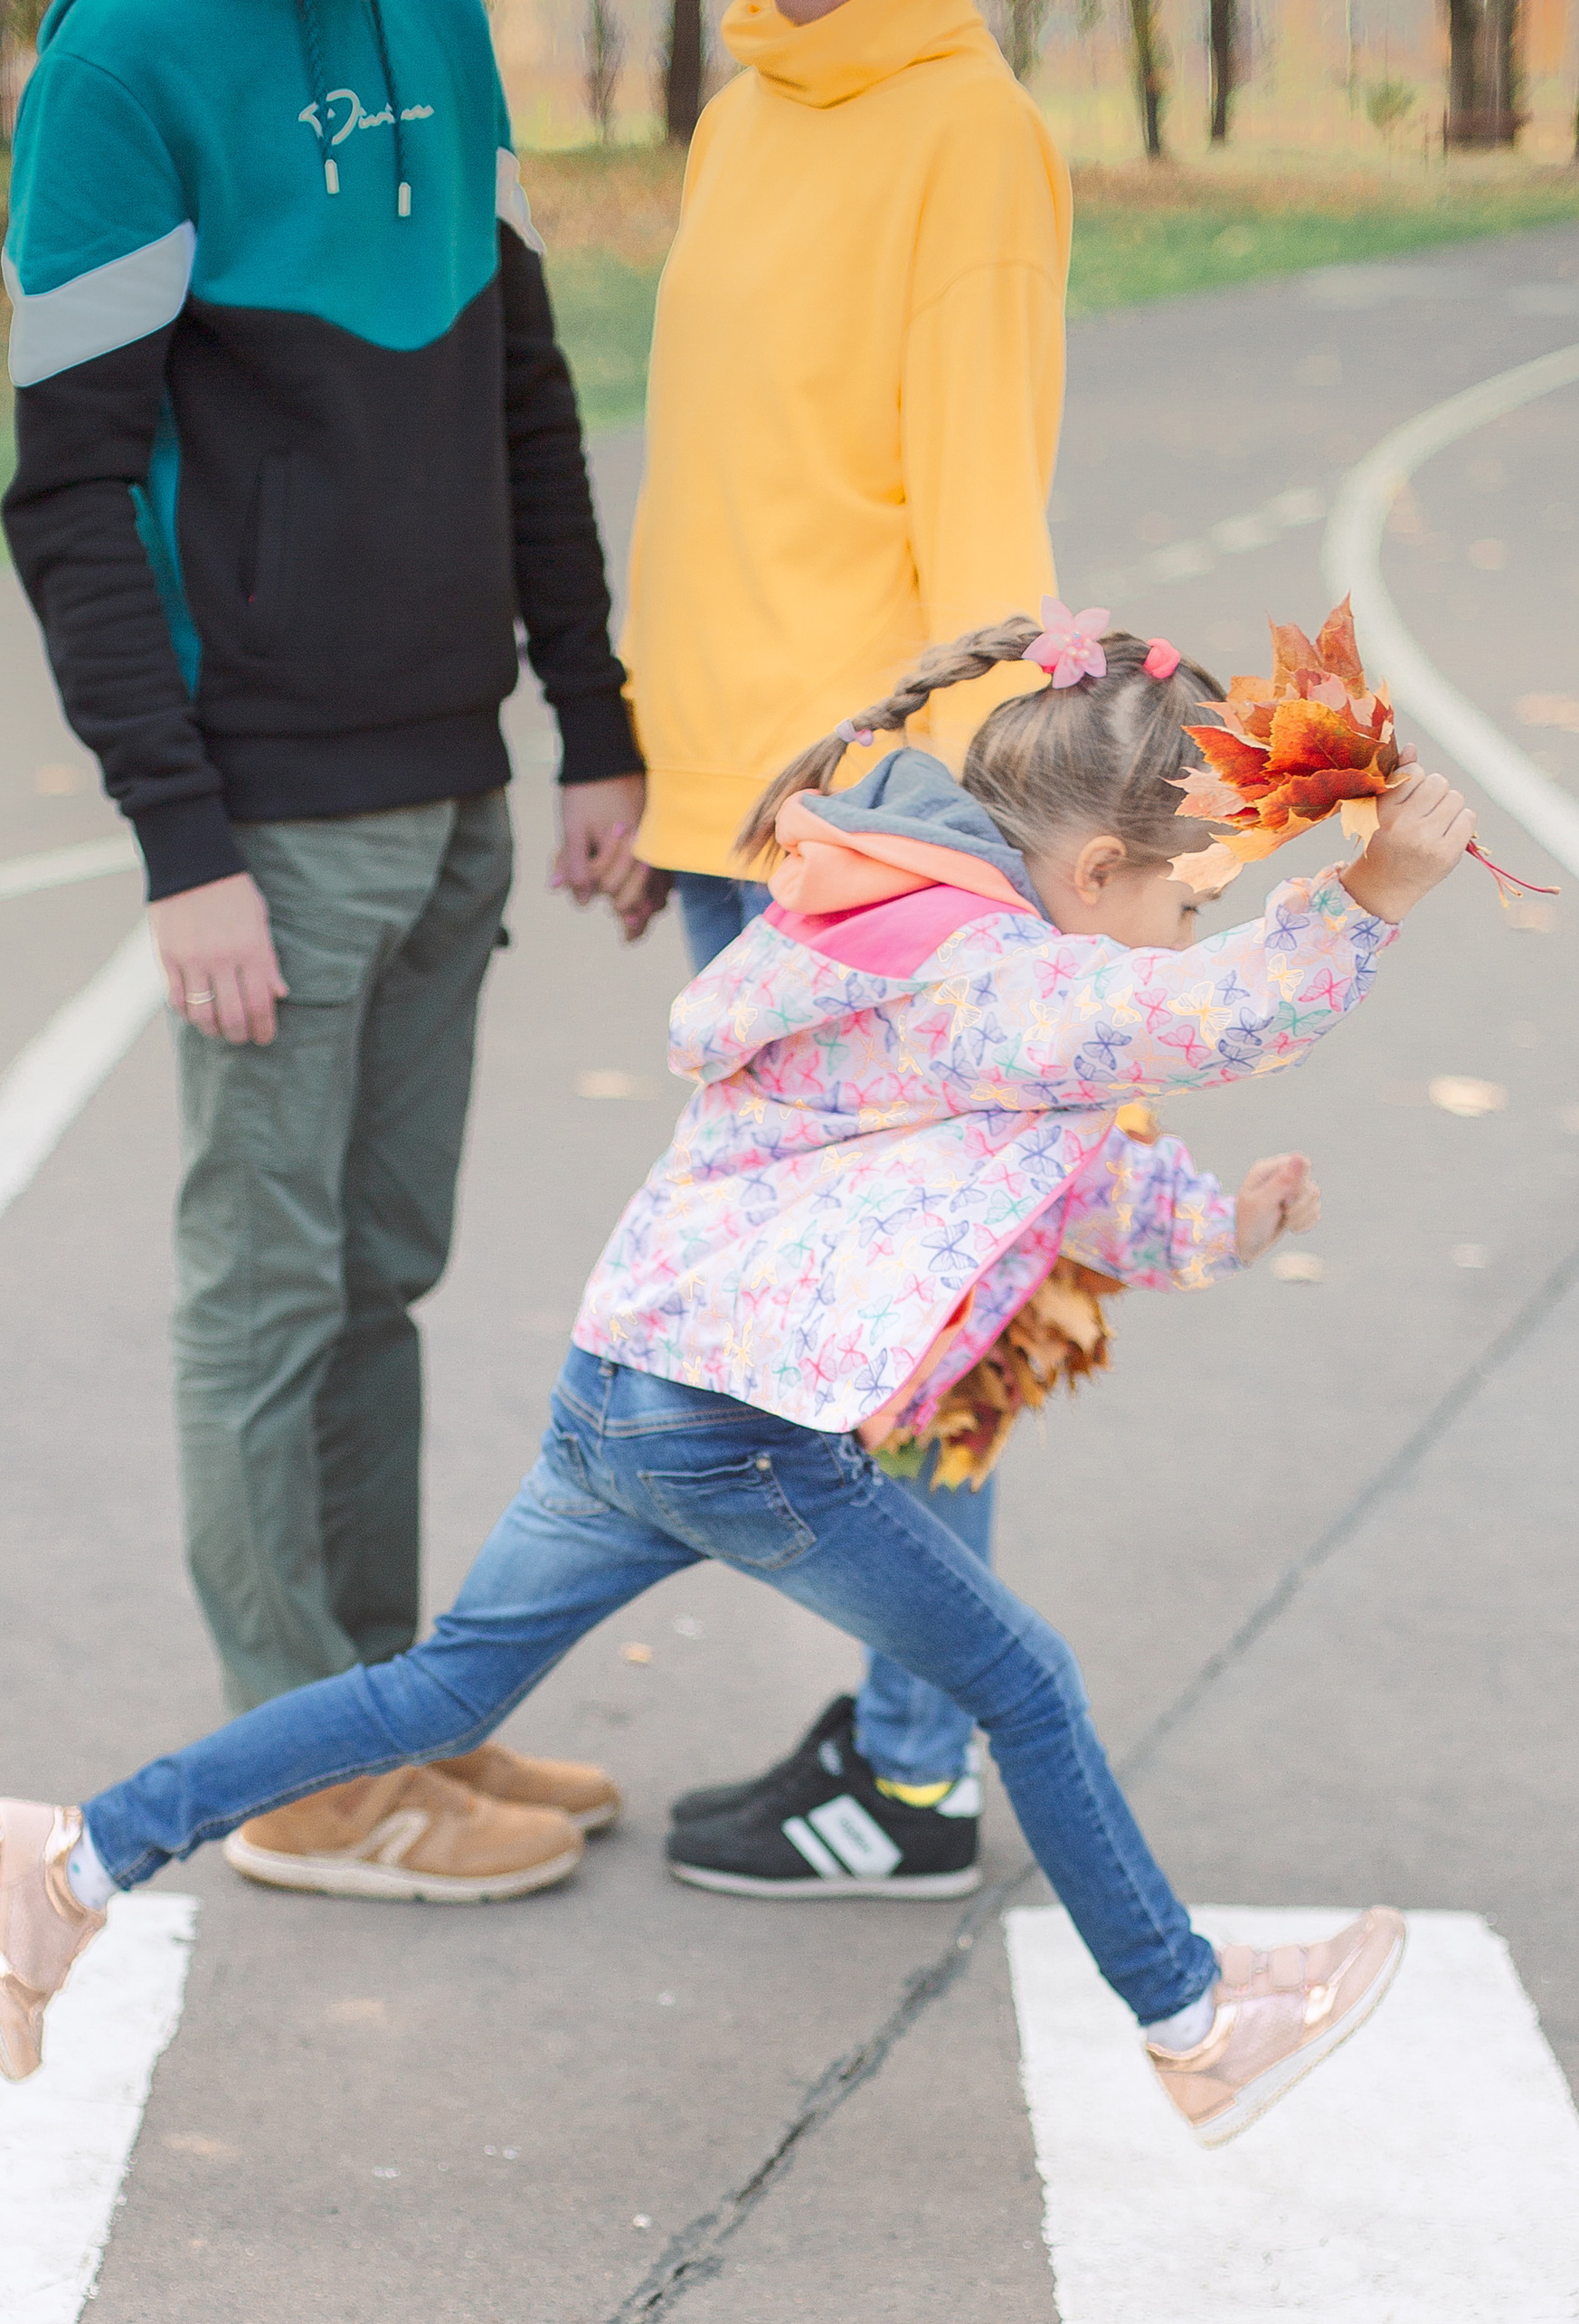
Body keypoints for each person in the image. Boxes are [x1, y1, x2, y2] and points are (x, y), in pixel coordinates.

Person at [0, 621, 1479, 2149]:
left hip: (630, 1388)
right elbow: (1214, 1019)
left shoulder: (911, 943)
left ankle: (72, 1860)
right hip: (739, 1432)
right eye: (1188, 895)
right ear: (1092, 876)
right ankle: (1195, 2022)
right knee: (1021, 1682)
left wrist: (1225, 1222)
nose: (1187, 923)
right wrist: (1373, 897)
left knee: (446, 1686)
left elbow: (1068, 1181)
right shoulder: (992, 977)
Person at [0, 0, 645, 1905]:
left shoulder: (438, 22)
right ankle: (296, 1777)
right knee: (270, 1295)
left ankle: (390, 1716)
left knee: (379, 1277)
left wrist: (588, 716)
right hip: (269, 823)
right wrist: (177, 838)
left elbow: (521, 391)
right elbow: (70, 486)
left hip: (449, 783)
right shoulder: (121, 67)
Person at [615, 0, 1073, 1893]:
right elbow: (721, 485)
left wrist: (969, 873)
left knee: (898, 1330)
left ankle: (909, 1781)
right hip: (742, 818)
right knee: (797, 1343)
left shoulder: (965, 133)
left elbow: (981, 541)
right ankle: (909, 1721)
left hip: (875, 842)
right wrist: (669, 778)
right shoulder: (743, 118)